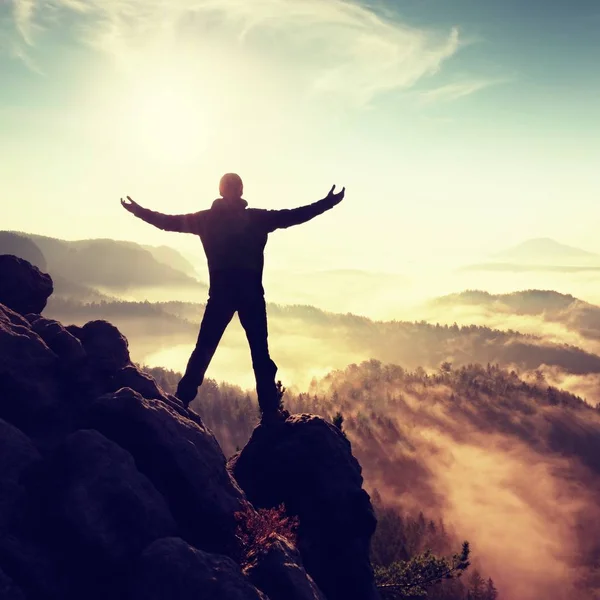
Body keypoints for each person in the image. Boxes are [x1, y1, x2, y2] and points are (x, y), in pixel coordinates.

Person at [121, 173, 345, 421]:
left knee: (205, 350)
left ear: (223, 191)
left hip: (222, 296)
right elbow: (293, 216)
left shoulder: (206, 220)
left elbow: (165, 222)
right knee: (258, 353)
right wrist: (327, 203)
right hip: (250, 296)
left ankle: (183, 399)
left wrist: (137, 211)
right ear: (240, 191)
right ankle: (269, 410)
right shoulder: (255, 218)